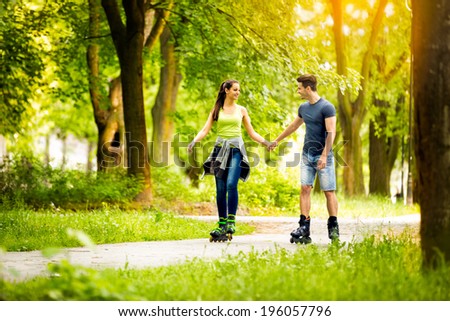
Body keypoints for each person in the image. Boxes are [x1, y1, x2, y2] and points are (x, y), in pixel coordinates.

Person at [188, 79, 270, 242]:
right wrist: (194, 141)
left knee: (232, 184)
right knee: (220, 188)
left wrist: (266, 142)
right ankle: (222, 223)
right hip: (219, 150)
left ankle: (231, 221)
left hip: (236, 150)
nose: (238, 93)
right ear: (226, 90)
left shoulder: (242, 110)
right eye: (235, 90)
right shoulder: (217, 109)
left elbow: (252, 133)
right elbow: (205, 129)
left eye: (239, 90)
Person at [269, 74, 339, 243]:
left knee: (328, 191)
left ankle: (333, 226)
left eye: (299, 87)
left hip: (324, 155)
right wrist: (277, 140)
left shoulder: (327, 107)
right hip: (307, 154)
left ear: (308, 88)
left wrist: (323, 155)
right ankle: (304, 228)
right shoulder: (304, 108)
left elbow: (331, 132)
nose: (298, 90)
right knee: (305, 188)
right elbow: (294, 125)